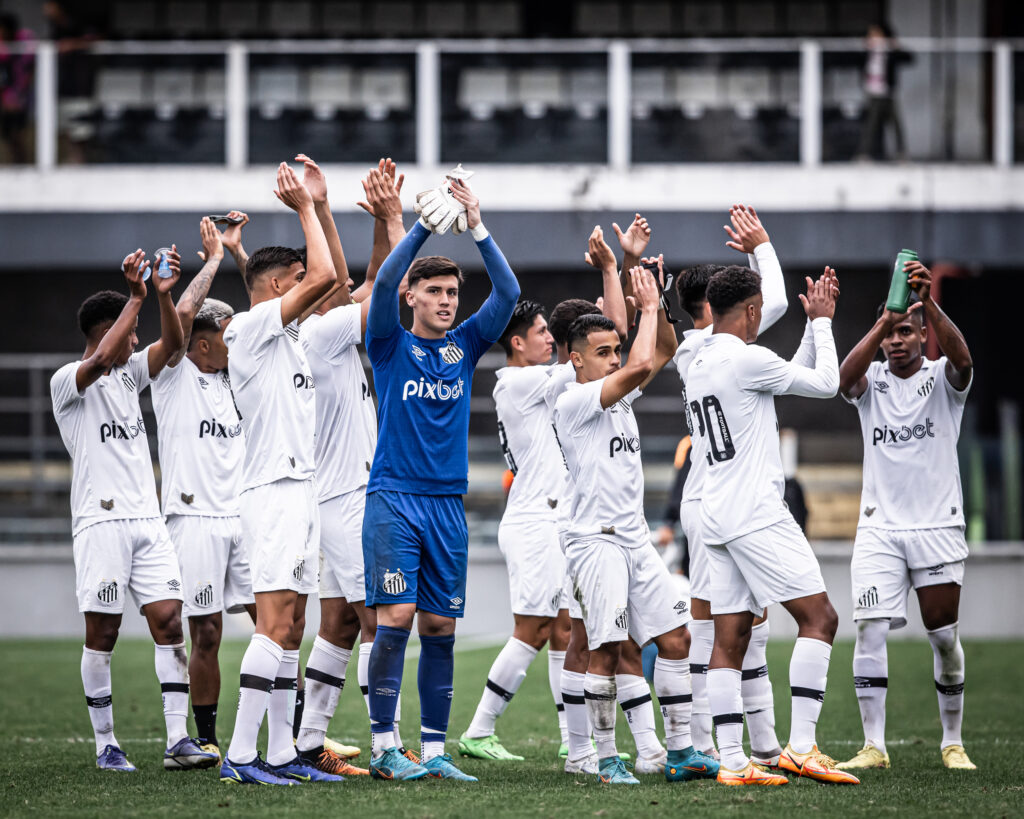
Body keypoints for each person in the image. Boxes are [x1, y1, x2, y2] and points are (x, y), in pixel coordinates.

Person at [362, 175, 519, 782]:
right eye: (435, 291)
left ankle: (432, 753)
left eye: (453, 291)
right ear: (412, 297)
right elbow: (377, 284)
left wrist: (476, 223)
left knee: (440, 627)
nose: (448, 300)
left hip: (447, 506)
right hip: (394, 500)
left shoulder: (467, 345)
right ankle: (382, 748)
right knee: (395, 620)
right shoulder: (386, 343)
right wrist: (423, 223)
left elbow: (506, 293)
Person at [458, 224, 631, 767]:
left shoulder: (544, 382)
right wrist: (608, 278)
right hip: (535, 519)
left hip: (554, 519)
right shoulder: (516, 382)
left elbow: (607, 346)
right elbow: (587, 353)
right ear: (517, 343)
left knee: (564, 629)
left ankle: (568, 732)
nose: (550, 343)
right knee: (534, 629)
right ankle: (479, 728)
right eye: (541, 333)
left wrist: (611, 274)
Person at [685, 265, 859, 786]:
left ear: (712, 310)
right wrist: (825, 322)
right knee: (821, 619)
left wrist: (808, 329)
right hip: (755, 514)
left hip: (716, 514)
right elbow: (826, 384)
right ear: (754, 309)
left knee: (729, 638)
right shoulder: (748, 360)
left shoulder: (700, 360)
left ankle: (734, 763)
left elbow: (783, 376)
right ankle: (800, 748)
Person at [51, 246, 218, 772]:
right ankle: (106, 744)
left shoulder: (130, 376)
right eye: (131, 329)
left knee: (170, 621)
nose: (137, 338)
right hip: (101, 523)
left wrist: (163, 297)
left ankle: (177, 741)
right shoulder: (67, 382)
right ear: (108, 332)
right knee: (103, 633)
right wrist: (136, 295)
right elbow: (99, 359)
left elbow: (174, 342)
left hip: (148, 522)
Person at [554, 260, 719, 786]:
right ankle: (605, 761)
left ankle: (678, 753)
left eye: (615, 352)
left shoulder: (619, 397)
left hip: (633, 538)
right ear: (574, 361)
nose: (615, 361)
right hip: (593, 543)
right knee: (604, 650)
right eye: (602, 354)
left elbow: (662, 351)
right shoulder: (575, 400)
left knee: (676, 639)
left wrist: (662, 298)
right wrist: (644, 306)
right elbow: (645, 357)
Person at [218, 162, 340, 786]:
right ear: (271, 287)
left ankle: (284, 751)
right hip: (270, 494)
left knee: (293, 623)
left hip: (302, 491)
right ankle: (240, 756)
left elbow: (333, 277)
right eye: (294, 282)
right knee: (273, 622)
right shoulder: (248, 326)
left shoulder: (285, 336)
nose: (310, 290)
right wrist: (303, 210)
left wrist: (320, 206)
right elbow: (323, 276)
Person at [836, 260, 976, 772]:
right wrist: (882, 319)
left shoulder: (943, 380)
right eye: (889, 334)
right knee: (869, 628)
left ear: (921, 335)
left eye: (904, 332)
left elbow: (963, 359)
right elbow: (841, 381)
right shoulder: (870, 381)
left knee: (943, 637)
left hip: (937, 526)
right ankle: (874, 746)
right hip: (879, 529)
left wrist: (928, 304)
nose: (896, 342)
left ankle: (952, 742)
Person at [293, 156, 405, 777]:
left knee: (337, 621)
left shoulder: (319, 331)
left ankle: (310, 743)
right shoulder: (320, 335)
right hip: (348, 496)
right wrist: (390, 220)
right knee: (378, 620)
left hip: (336, 494)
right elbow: (374, 284)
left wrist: (329, 209)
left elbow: (358, 281)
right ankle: (388, 746)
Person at [672, 205, 790, 766]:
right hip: (725, 500)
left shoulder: (692, 351)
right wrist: (761, 246)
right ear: (712, 307)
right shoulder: (721, 347)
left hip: (706, 495)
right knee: (733, 630)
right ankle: (731, 743)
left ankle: (726, 743)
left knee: (724, 625)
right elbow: (781, 302)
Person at [149, 218, 254, 762]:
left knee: (279, 622)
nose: (238, 344)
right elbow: (182, 317)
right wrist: (211, 260)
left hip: (245, 517)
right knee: (207, 633)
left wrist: (237, 253)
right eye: (229, 337)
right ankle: (206, 735)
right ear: (205, 343)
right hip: (194, 520)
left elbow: (270, 315)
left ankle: (302, 733)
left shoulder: (241, 378)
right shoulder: (174, 375)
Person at [856, 22, 912, 162]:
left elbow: (908, 58)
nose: (874, 38)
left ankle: (901, 153)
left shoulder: (889, 52)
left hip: (888, 92)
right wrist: (865, 48)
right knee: (871, 124)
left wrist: (895, 48)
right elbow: (854, 60)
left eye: (877, 35)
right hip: (873, 92)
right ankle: (865, 153)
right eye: (871, 35)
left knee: (895, 123)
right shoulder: (867, 52)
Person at [0, 13, 34, 164]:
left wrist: (20, 95)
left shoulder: (24, 40)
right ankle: (14, 161)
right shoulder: (3, 45)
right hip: (6, 95)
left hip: (23, 95)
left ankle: (22, 162)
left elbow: (28, 70)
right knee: (8, 133)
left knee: (19, 132)